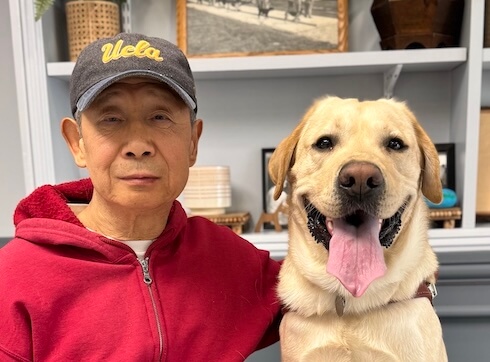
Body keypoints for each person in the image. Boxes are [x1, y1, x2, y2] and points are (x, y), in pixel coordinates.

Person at [0, 32, 282, 361]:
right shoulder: (13, 278)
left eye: (159, 117)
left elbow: (328, 294)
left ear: (193, 141)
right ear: (77, 142)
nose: (138, 144)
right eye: (112, 119)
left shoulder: (230, 259)